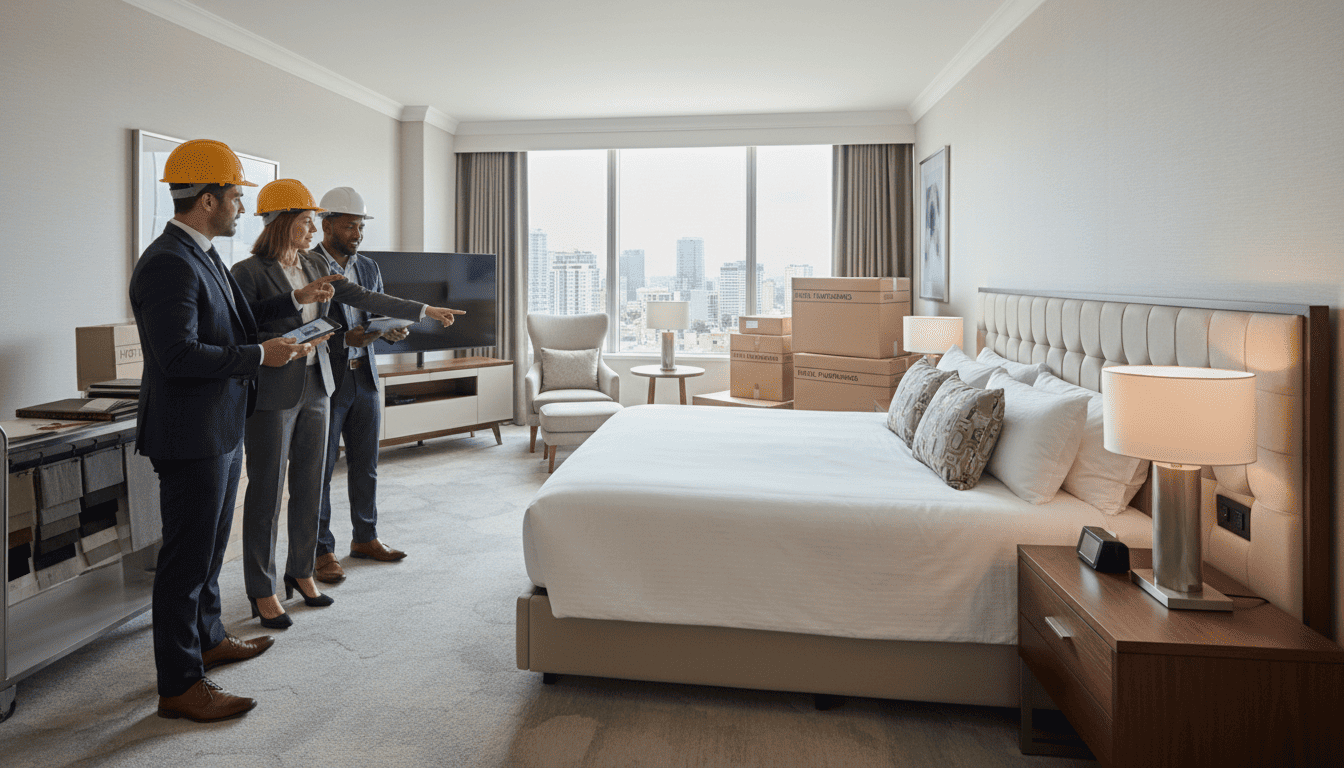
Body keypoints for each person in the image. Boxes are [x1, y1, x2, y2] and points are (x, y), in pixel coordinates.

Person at [130, 140, 339, 722]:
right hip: (190, 432)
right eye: (235, 198)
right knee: (186, 560)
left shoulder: (202, 253)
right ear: (206, 200)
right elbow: (178, 355)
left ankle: (210, 637)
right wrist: (259, 358)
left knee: (209, 549)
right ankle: (179, 683)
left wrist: (292, 329)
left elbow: (238, 326)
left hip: (219, 426)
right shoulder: (170, 261)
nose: (242, 210)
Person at [230, 179, 465, 628]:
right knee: (265, 495)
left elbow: (361, 297)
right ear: (282, 224)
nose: (312, 229)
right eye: (305, 222)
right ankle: (262, 589)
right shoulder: (248, 272)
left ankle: (301, 572)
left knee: (310, 484)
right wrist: (290, 313)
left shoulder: (315, 262)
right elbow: (241, 326)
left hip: (319, 386)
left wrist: (423, 311)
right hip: (276, 393)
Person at [312, 187, 409, 583]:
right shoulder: (307, 265)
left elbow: (378, 307)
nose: (357, 233)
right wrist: (342, 339)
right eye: (350, 225)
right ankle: (321, 551)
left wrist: (389, 330)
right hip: (326, 379)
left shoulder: (367, 266)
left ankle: (365, 537)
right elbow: (300, 326)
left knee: (365, 464)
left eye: (360, 226)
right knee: (319, 470)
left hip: (365, 377)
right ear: (327, 223)